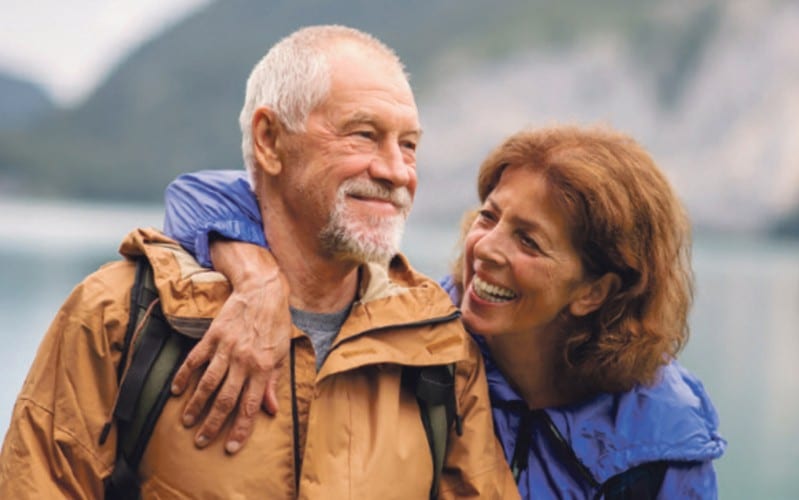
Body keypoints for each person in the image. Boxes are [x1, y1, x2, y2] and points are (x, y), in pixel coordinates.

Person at [0, 25, 516, 498]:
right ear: (270, 140)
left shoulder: (439, 347)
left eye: (408, 145)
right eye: (363, 134)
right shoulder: (119, 314)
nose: (396, 171)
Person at [160, 125, 727, 498]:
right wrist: (256, 277)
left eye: (529, 242)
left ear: (595, 291)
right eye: (489, 216)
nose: (487, 249)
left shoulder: (664, 437)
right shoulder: (415, 330)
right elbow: (197, 194)